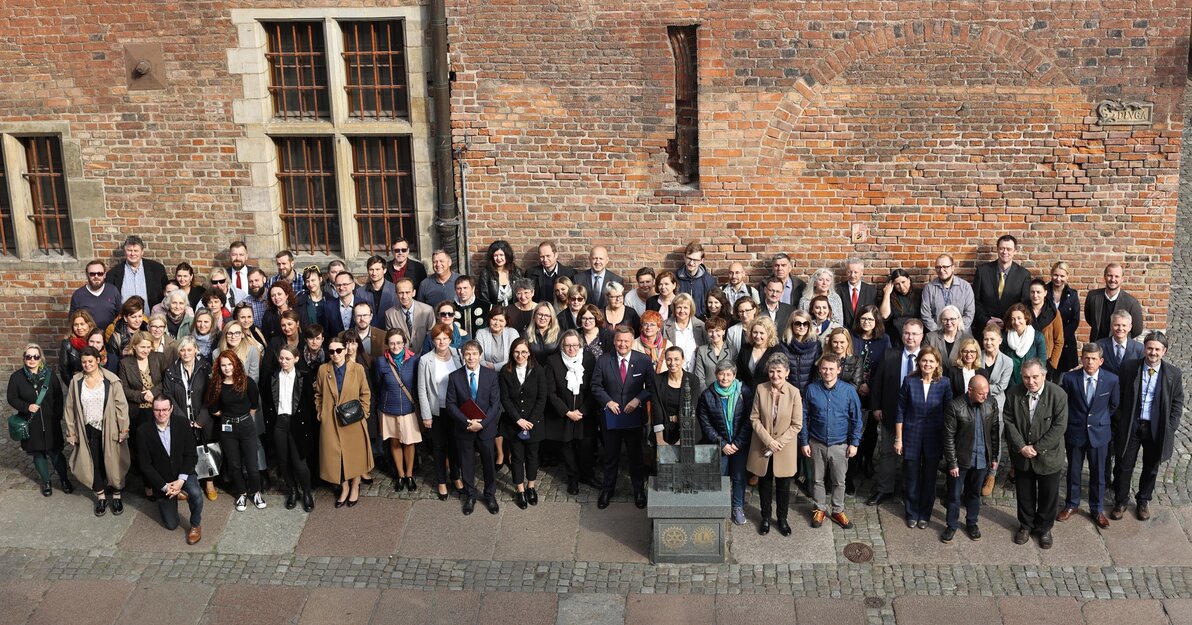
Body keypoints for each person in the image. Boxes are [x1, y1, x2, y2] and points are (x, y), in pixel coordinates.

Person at [1111, 332, 1184, 521]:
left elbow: (1177, 401)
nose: (1153, 352)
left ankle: (1143, 500)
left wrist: (1170, 426)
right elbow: (1118, 394)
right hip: (1132, 425)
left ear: (1164, 351)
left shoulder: (1173, 374)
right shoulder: (1129, 367)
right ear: (1144, 348)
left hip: (1156, 427)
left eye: (1157, 349)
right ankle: (1120, 501)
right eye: (1150, 348)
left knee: (1151, 466)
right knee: (1123, 465)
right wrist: (1119, 419)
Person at [1004, 358, 1067, 548]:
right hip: (1022, 456)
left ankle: (1044, 528)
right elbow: (1008, 420)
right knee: (1024, 493)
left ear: (1044, 375)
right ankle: (1025, 525)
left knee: (1048, 495)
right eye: (1026, 377)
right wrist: (1021, 446)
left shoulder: (1058, 394)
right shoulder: (1014, 394)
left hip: (1049, 457)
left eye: (1034, 377)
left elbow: (1059, 426)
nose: (1030, 382)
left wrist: (1037, 448)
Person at [1057, 343, 1119, 529]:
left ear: (1100, 361)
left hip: (1099, 433)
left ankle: (1097, 508)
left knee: (1098, 473)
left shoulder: (1111, 380)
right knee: (1073, 471)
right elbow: (1063, 404)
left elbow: (1114, 405)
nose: (1090, 362)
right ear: (1081, 359)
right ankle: (1072, 504)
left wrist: (1100, 421)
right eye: (1086, 358)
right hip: (1075, 432)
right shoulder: (1069, 378)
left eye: (1093, 359)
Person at [64, 346, 131, 516]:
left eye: (90, 361)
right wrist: (71, 432)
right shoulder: (76, 381)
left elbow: (121, 406)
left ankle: (116, 496)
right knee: (93, 463)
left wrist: (123, 428)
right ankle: (101, 497)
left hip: (109, 428)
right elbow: (70, 408)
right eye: (84, 362)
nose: (87, 365)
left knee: (114, 462)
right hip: (87, 429)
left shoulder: (111, 380)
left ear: (98, 361)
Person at [591, 325, 653, 509]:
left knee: (636, 456)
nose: (622, 344)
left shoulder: (643, 360)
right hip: (611, 417)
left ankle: (638, 490)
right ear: (614, 340)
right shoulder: (603, 360)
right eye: (619, 340)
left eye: (626, 341)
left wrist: (638, 400)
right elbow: (596, 386)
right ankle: (607, 490)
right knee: (610, 457)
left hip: (634, 417)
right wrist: (608, 402)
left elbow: (651, 387)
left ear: (632, 341)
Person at [867, 318, 925, 506]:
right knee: (887, 453)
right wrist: (876, 407)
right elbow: (877, 383)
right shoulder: (890, 354)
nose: (910, 337)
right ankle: (885, 489)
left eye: (914, 333)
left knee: (913, 456)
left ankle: (909, 490)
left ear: (921, 336)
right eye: (907, 333)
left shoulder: (928, 357)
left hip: (917, 417)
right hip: (890, 413)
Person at [801, 353, 863, 529]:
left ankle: (837, 510)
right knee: (817, 480)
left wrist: (854, 443)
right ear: (819, 370)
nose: (827, 372)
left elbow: (857, 419)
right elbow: (803, 417)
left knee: (839, 481)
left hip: (840, 445)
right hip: (817, 442)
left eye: (831, 369)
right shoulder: (812, 389)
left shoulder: (849, 391)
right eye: (824, 368)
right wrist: (804, 441)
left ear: (838, 370)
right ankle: (819, 507)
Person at [895, 347, 953, 529]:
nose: (927, 364)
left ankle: (925, 514)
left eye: (931, 361)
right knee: (911, 476)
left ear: (937, 364)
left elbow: (948, 413)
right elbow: (900, 411)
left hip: (934, 437)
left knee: (930, 477)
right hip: (911, 435)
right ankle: (911, 512)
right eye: (924, 361)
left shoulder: (944, 383)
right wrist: (898, 439)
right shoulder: (909, 381)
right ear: (919, 362)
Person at [747, 353, 803, 536]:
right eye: (772, 371)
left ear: (786, 372)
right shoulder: (761, 389)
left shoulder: (794, 392)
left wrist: (778, 443)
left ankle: (782, 519)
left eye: (779, 371)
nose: (775, 375)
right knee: (764, 483)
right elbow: (754, 418)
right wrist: (768, 441)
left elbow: (797, 424)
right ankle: (765, 518)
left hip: (784, 448)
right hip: (763, 445)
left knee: (783, 486)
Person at [314, 335, 373, 508]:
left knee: (356, 455)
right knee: (335, 456)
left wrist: (364, 413)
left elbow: (365, 393)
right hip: (331, 421)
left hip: (353, 419)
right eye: (331, 351)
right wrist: (321, 414)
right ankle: (344, 487)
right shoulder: (323, 370)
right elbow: (318, 394)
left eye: (338, 350)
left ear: (345, 350)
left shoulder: (357, 369)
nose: (335, 354)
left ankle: (355, 486)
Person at [137, 396, 204, 544]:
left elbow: (191, 455)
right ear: (152, 410)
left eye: (165, 410)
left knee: (196, 495)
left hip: (183, 473)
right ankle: (176, 495)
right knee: (171, 525)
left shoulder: (182, 424)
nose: (161, 414)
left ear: (171, 409)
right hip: (162, 479)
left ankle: (195, 524)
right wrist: (165, 486)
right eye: (157, 410)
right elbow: (145, 465)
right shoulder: (143, 431)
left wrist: (181, 481)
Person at [445, 340, 501, 515]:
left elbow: (495, 404)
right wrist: (467, 422)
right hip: (464, 428)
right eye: (467, 354)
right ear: (463, 356)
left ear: (480, 355)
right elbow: (450, 404)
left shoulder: (491, 376)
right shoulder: (455, 377)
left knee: (489, 463)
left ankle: (490, 495)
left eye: (474, 354)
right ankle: (470, 495)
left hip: (486, 428)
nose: (471, 357)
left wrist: (482, 424)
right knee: (467, 463)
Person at [206, 350, 267, 512]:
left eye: (229, 364)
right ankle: (242, 493)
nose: (227, 368)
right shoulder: (216, 384)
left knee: (252, 464)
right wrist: (228, 417)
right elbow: (213, 408)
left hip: (246, 425)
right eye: (223, 365)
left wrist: (242, 418)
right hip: (227, 428)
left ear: (236, 364)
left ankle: (256, 491)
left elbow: (254, 405)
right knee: (234, 464)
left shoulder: (247, 382)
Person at [941, 375, 999, 543]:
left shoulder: (991, 403)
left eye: (987, 392)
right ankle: (951, 525)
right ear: (970, 390)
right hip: (961, 460)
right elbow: (948, 437)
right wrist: (952, 462)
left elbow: (994, 431)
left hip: (981, 459)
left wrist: (994, 456)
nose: (985, 396)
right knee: (954, 495)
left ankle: (972, 522)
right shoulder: (955, 406)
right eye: (981, 393)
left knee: (974, 494)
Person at [8, 343, 69, 497]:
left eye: (35, 356)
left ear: (40, 357)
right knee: (38, 454)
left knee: (55, 452)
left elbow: (58, 397)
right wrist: (26, 407)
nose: (32, 359)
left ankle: (64, 479)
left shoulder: (50, 375)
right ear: (24, 358)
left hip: (50, 422)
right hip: (31, 422)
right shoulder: (16, 378)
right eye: (29, 356)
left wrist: (57, 416)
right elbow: (12, 398)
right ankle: (46, 481)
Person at [697, 361, 753, 525]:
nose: (725, 377)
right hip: (719, 445)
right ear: (716, 374)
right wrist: (722, 444)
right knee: (718, 476)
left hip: (739, 444)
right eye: (721, 374)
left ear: (734, 376)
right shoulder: (707, 395)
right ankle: (717, 505)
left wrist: (737, 443)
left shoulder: (744, 392)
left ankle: (737, 507)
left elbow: (749, 419)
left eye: (729, 374)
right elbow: (705, 423)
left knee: (738, 476)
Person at [162, 336, 216, 501]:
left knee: (206, 449)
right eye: (182, 350)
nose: (186, 353)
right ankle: (187, 485)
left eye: (189, 350)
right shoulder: (171, 371)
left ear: (196, 350)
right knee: (185, 452)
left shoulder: (205, 367)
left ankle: (209, 482)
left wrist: (201, 419)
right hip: (181, 419)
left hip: (202, 418)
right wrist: (183, 419)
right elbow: (168, 395)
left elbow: (211, 394)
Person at [544, 330, 599, 494]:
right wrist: (567, 412)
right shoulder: (552, 361)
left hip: (584, 413)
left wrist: (582, 411)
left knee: (586, 446)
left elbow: (593, 388)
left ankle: (587, 475)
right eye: (567, 345)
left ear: (579, 345)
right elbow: (550, 392)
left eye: (574, 345)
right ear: (562, 345)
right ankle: (572, 478)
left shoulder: (589, 359)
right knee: (567, 448)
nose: (571, 349)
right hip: (563, 414)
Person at [416, 323, 464, 500]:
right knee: (438, 447)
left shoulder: (458, 355)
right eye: (438, 339)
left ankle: (456, 476)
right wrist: (426, 415)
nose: (442, 342)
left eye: (445, 338)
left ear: (450, 339)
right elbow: (422, 389)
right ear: (433, 340)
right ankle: (441, 481)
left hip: (455, 410)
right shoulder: (425, 360)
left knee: (455, 445)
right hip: (436, 410)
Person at [500, 338, 547, 509]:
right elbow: (504, 398)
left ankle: (531, 487)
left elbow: (542, 398)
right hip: (514, 423)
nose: (520, 355)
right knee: (517, 457)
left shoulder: (538, 371)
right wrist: (518, 420)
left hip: (534, 423)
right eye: (517, 352)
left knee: (533, 456)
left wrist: (531, 421)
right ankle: (519, 490)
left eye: (524, 352)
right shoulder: (505, 372)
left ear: (529, 353)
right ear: (512, 353)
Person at [118, 330, 166, 497]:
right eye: (142, 347)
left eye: (148, 347)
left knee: (161, 447)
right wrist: (141, 396)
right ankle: (148, 485)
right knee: (143, 450)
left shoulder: (158, 358)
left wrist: (153, 391)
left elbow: (166, 379)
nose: (145, 350)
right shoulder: (125, 363)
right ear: (134, 346)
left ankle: (164, 481)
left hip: (158, 409)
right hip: (138, 412)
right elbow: (122, 388)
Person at [372, 329, 421, 493]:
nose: (395, 346)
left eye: (399, 343)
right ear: (387, 343)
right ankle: (400, 475)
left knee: (409, 442)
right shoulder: (380, 362)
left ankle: (409, 474)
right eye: (392, 343)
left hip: (408, 408)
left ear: (404, 343)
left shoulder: (414, 360)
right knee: (394, 442)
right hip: (389, 408)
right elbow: (378, 385)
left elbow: (416, 384)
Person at [973, 235, 1032, 331]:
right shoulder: (982, 271)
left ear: (1015, 252)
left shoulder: (1024, 275)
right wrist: (986, 321)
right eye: (1002, 248)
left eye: (1009, 249)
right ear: (997, 249)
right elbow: (975, 301)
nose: (1005, 252)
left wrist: (1008, 322)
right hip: (985, 329)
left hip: (1011, 329)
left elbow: (1024, 305)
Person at [650, 346, 701, 446]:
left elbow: (691, 410)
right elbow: (657, 410)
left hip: (688, 429)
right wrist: (659, 440)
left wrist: (683, 439)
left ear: (683, 359)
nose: (672, 363)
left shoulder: (693, 380)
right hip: (663, 429)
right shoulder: (657, 380)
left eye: (676, 359)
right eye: (669, 359)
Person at [1085, 262, 1144, 343]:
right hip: (1097, 346)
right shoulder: (1092, 297)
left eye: (1116, 276)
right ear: (1104, 277)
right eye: (1110, 275)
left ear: (1122, 279)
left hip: (1118, 348)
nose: (1113, 279)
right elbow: (1090, 319)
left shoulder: (1131, 302)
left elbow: (1137, 330)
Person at [107, 235, 168, 308]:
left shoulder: (157, 269)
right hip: (126, 318)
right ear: (124, 252)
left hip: (152, 317)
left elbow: (166, 295)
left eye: (136, 250)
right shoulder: (113, 274)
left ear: (142, 252)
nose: (132, 254)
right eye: (129, 250)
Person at [920, 254, 975, 332]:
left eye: (945, 267)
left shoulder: (965, 287)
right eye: (938, 267)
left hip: (961, 333)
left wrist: (957, 331)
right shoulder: (929, 288)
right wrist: (938, 333)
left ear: (953, 268)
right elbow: (926, 315)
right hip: (936, 334)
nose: (941, 270)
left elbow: (969, 313)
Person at [1047, 261, 1081, 377]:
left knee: (1060, 378)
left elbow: (1075, 320)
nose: (1058, 279)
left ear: (1067, 276)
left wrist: (1060, 337)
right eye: (1055, 275)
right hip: (1046, 339)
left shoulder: (1073, 295)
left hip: (1065, 341)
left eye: (1062, 276)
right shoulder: (1043, 291)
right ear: (1051, 274)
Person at [1001, 303, 1048, 386]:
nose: (1016, 322)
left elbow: (1042, 363)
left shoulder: (1038, 337)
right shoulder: (1005, 338)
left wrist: (1032, 382)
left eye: (1019, 318)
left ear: (1026, 318)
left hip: (1032, 383)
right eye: (1013, 319)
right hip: (1010, 384)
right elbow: (1002, 362)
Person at [385, 277, 435, 351]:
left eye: (407, 292)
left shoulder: (427, 310)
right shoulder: (390, 314)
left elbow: (432, 336)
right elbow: (391, 339)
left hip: (424, 355)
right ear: (396, 294)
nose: (404, 296)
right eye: (401, 293)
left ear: (413, 292)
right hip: (402, 357)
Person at [71, 260, 122, 332]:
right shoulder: (78, 295)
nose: (96, 276)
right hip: (89, 339)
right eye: (92, 274)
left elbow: (119, 314)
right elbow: (73, 320)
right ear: (87, 275)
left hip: (110, 337)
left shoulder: (113, 291)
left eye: (100, 273)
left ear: (104, 275)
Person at [1027, 279, 1065, 373]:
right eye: (1032, 292)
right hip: (1025, 358)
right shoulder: (1023, 311)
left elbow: (1059, 341)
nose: (1035, 295)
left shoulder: (1053, 313)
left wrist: (1052, 363)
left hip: (1046, 360)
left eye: (1038, 292)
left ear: (1045, 293)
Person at [663, 293, 707, 372]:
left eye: (685, 307)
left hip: (696, 373)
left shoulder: (701, 326)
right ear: (674, 308)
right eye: (679, 307)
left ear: (691, 309)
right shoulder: (664, 326)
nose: (682, 311)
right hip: (672, 373)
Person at [735, 316, 782, 388]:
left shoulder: (776, 351)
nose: (757, 336)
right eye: (755, 332)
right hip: (746, 393)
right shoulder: (745, 348)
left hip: (767, 392)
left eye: (761, 333)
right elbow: (738, 372)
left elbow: (779, 375)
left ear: (769, 334)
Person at [781, 310, 821, 393]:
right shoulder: (783, 344)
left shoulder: (816, 344)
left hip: (809, 391)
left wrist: (813, 390)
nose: (802, 327)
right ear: (791, 325)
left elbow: (817, 371)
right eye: (798, 323)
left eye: (805, 324)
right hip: (788, 391)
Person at [573, 245, 624, 310]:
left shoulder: (617, 280)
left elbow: (619, 305)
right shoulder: (578, 279)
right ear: (590, 259)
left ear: (607, 260)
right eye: (595, 258)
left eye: (601, 258)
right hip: (586, 318)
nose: (597, 262)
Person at [880, 268, 920, 347]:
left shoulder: (919, 294)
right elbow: (884, 315)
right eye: (897, 284)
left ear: (909, 280)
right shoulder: (891, 297)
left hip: (915, 335)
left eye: (903, 282)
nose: (901, 286)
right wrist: (887, 293)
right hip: (896, 337)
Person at [675, 241, 717, 316]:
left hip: (701, 321)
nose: (691, 263)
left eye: (695, 260)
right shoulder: (675, 279)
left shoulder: (709, 281)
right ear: (684, 257)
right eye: (689, 258)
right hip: (680, 319)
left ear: (701, 261)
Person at [1097, 310, 1144, 375]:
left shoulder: (1139, 348)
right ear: (1111, 326)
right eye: (1117, 325)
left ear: (1130, 327)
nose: (1120, 328)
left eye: (1124, 325)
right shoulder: (1099, 346)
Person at [836, 258, 879, 331]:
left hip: (864, 333)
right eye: (849, 272)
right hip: (844, 333)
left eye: (856, 272)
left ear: (862, 272)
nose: (852, 275)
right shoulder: (838, 290)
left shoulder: (871, 291)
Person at [694, 317, 735, 390]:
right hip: (708, 391)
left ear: (723, 332)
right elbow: (699, 377)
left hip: (729, 391)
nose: (714, 334)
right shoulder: (702, 350)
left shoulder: (732, 350)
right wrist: (706, 395)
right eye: (710, 331)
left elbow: (735, 374)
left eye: (717, 330)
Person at [359, 256, 398, 329]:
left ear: (384, 270)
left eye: (377, 269)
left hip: (390, 332)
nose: (374, 273)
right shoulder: (360, 292)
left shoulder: (394, 289)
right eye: (371, 269)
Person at [60, 309, 98, 384]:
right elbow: (64, 370)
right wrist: (74, 386)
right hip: (77, 384)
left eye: (82, 324)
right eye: (76, 325)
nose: (79, 328)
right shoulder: (67, 343)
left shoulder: (96, 340)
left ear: (89, 324)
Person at [323, 270, 362, 336]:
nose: (341, 288)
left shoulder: (364, 305)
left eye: (345, 284)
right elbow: (326, 332)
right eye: (338, 285)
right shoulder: (328, 307)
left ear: (353, 285)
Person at [225, 240, 256, 306]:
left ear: (246, 256)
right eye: (234, 255)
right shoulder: (224, 274)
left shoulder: (255, 273)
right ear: (229, 256)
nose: (237, 258)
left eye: (241, 255)